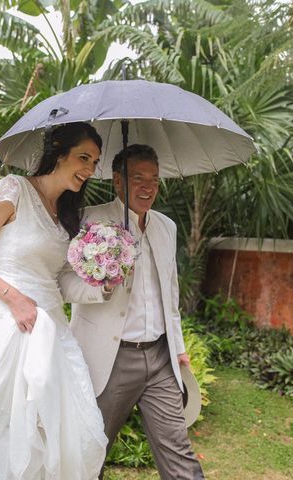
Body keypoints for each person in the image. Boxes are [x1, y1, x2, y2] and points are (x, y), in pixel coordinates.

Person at [0, 122, 108, 480]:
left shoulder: (66, 214)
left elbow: (60, 280)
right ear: (58, 152)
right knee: (19, 436)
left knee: (75, 432)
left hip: (55, 330)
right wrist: (15, 299)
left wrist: (104, 278)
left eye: (95, 162)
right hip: (12, 325)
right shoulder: (13, 191)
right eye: (84, 157)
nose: (90, 169)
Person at [59, 144, 205, 480]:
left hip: (159, 358)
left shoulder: (166, 226)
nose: (148, 187)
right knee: (89, 452)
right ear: (117, 181)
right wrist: (104, 284)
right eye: (138, 178)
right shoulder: (90, 220)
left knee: (179, 451)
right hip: (109, 358)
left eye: (154, 179)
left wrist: (178, 349)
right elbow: (63, 284)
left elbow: (170, 293)